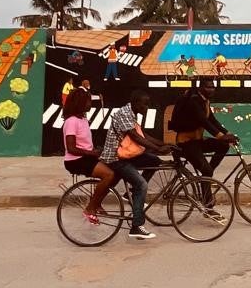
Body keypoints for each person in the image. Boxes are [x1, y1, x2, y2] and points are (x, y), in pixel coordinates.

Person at [100, 90, 174, 239]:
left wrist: (165, 144)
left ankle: (131, 194)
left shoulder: (131, 113)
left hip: (126, 155)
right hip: (116, 158)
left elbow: (142, 135)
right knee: (142, 185)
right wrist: (158, 148)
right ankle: (136, 226)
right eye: (144, 104)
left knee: (154, 161)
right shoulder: (124, 113)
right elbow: (135, 137)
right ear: (135, 103)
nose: (146, 108)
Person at [169, 79, 239, 216]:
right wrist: (220, 135)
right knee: (206, 169)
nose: (211, 90)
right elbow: (203, 121)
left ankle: (205, 178)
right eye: (208, 87)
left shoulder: (205, 101)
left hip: (197, 141)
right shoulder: (194, 101)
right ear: (201, 88)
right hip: (186, 143)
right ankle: (207, 206)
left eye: (213, 87)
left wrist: (228, 134)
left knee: (223, 147)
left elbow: (212, 120)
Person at [62, 89, 115, 223]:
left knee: (117, 169)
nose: (90, 104)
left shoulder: (83, 119)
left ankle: (96, 202)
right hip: (75, 160)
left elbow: (85, 143)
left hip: (85, 157)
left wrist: (96, 150)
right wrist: (92, 153)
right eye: (88, 101)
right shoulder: (71, 121)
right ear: (79, 103)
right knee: (108, 175)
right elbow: (71, 148)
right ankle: (91, 208)